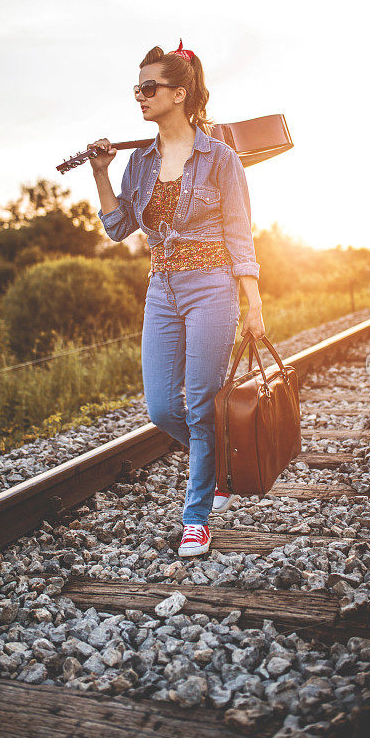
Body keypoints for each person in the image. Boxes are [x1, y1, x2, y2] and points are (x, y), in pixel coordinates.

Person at [89, 39, 265, 557]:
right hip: (161, 287)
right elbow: (120, 226)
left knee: (202, 405)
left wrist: (253, 303)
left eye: (150, 87)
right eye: (137, 88)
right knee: (165, 407)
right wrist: (101, 173)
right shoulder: (139, 162)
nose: (140, 97)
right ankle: (221, 462)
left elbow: (240, 234)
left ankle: (197, 517)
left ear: (181, 94)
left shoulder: (221, 159)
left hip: (212, 286)